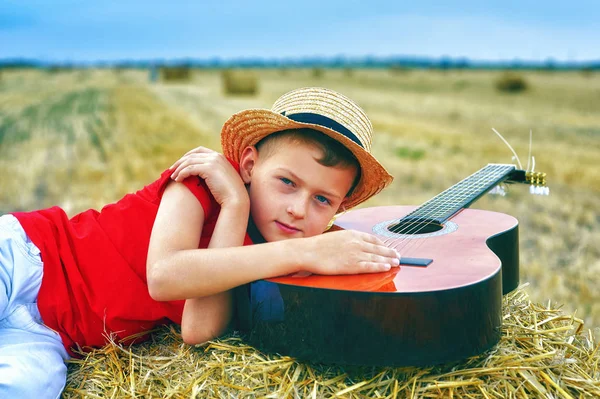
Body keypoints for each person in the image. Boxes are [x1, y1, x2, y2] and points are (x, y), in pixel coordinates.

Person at [0, 87, 397, 397]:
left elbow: (198, 330)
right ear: (248, 164)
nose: (297, 209)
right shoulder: (198, 184)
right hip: (29, 258)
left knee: (28, 388)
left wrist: (236, 208)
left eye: (322, 200)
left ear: (338, 208)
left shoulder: (268, 259)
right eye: (287, 183)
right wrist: (301, 247)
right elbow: (164, 276)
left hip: (54, 336)